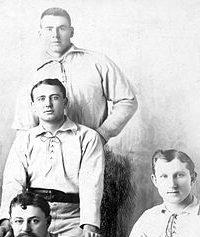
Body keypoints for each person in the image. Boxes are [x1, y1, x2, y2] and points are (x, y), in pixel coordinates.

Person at [0, 78, 107, 237]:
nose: (47, 104)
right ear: (33, 106)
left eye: (54, 97)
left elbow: (92, 183)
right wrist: (7, 219)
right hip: (33, 214)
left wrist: (89, 224)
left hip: (72, 216)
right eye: (41, 99)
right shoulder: (25, 139)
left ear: (65, 102)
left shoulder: (87, 137)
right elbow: (13, 182)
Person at [12, 7, 137, 143]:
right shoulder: (33, 72)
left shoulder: (97, 62)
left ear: (71, 32)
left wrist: (102, 134)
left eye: (62, 28)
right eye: (49, 29)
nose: (55, 35)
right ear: (40, 33)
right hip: (48, 154)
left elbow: (127, 100)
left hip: (93, 150)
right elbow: (24, 127)